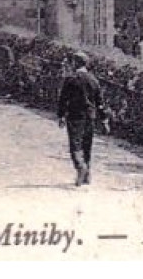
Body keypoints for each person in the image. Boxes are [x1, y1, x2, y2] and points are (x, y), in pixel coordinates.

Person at [55, 52, 102, 186]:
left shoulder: (70, 79)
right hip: (90, 117)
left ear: (75, 63)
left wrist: (61, 116)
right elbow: (99, 101)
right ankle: (87, 175)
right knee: (87, 145)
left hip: (75, 116)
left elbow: (63, 99)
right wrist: (104, 119)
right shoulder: (93, 80)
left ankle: (80, 166)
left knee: (75, 145)